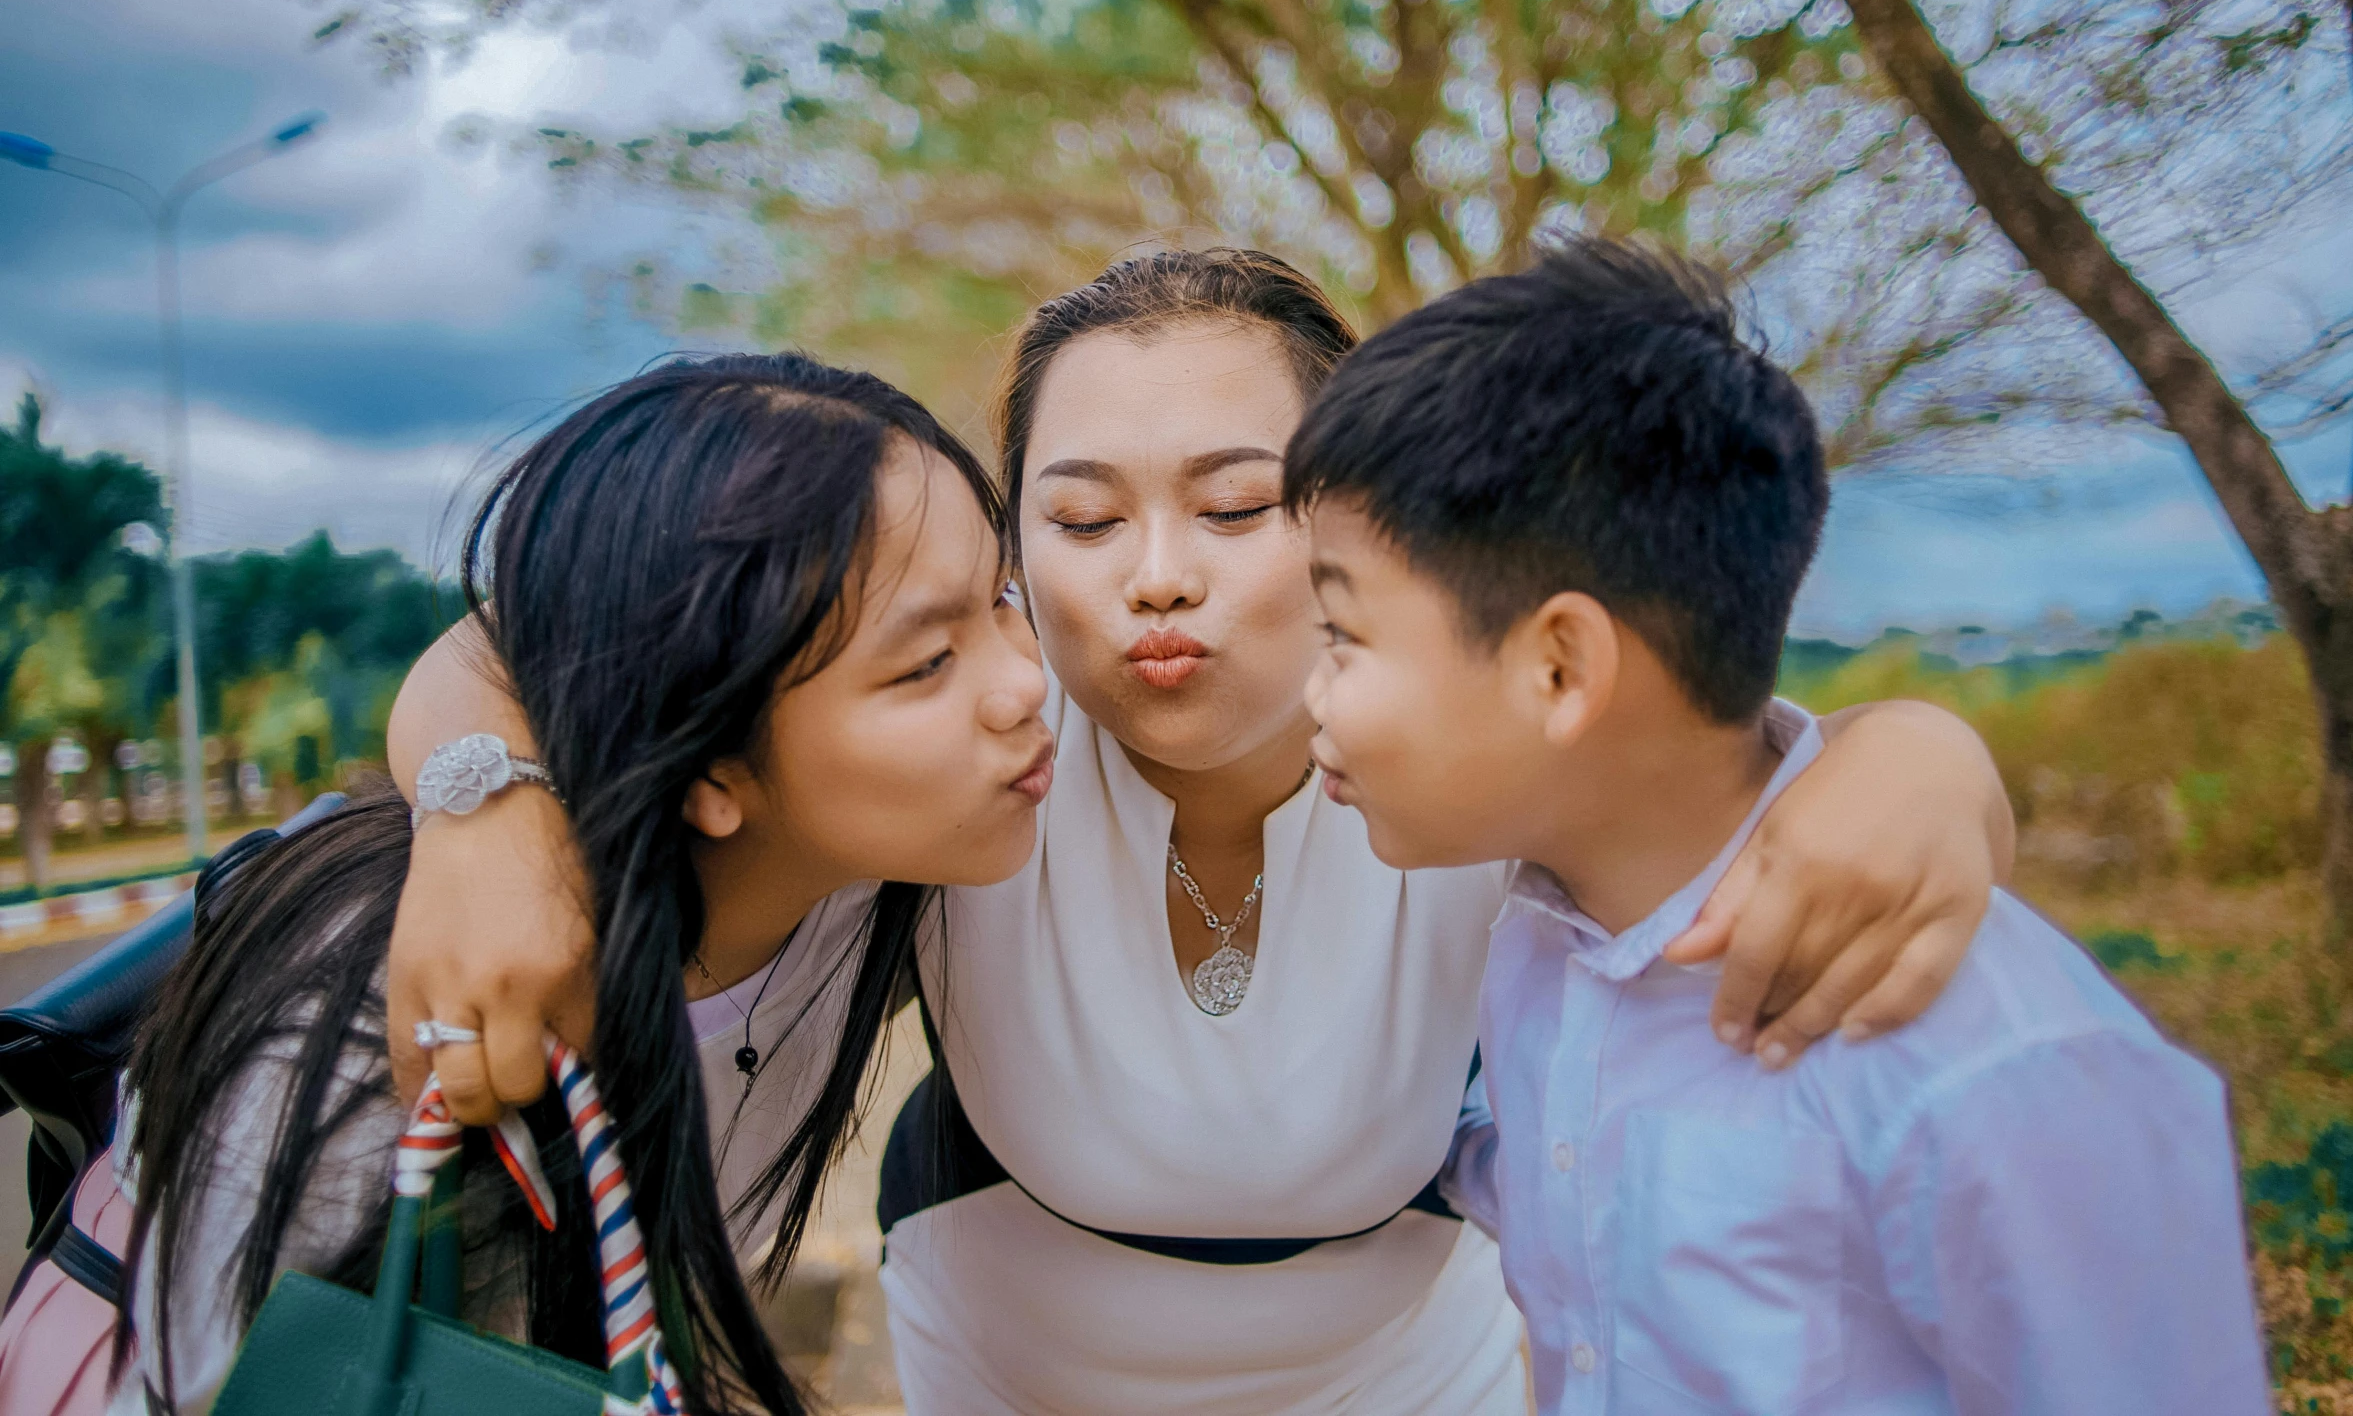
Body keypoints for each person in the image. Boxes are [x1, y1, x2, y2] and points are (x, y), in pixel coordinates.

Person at [383, 251, 2022, 1413]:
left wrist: (1923, 751)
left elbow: (1756, 770)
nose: (1153, 574)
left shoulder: (1459, 747)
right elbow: (512, 634)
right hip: (1003, 1348)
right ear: (1005, 551)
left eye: (1235, 506)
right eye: (1083, 519)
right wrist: (481, 815)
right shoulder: (973, 744)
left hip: (1410, 1361)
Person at [1289, 236, 2270, 1414]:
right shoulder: (1535, 953)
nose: (1313, 691)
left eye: (1342, 636)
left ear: (1559, 669)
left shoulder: (1999, 1068)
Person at [0, 354, 1054, 1416]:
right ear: (705, 758)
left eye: (1003, 597)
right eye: (926, 664)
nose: (1025, 681)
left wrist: (480, 804)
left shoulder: (867, 873)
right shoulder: (381, 1034)